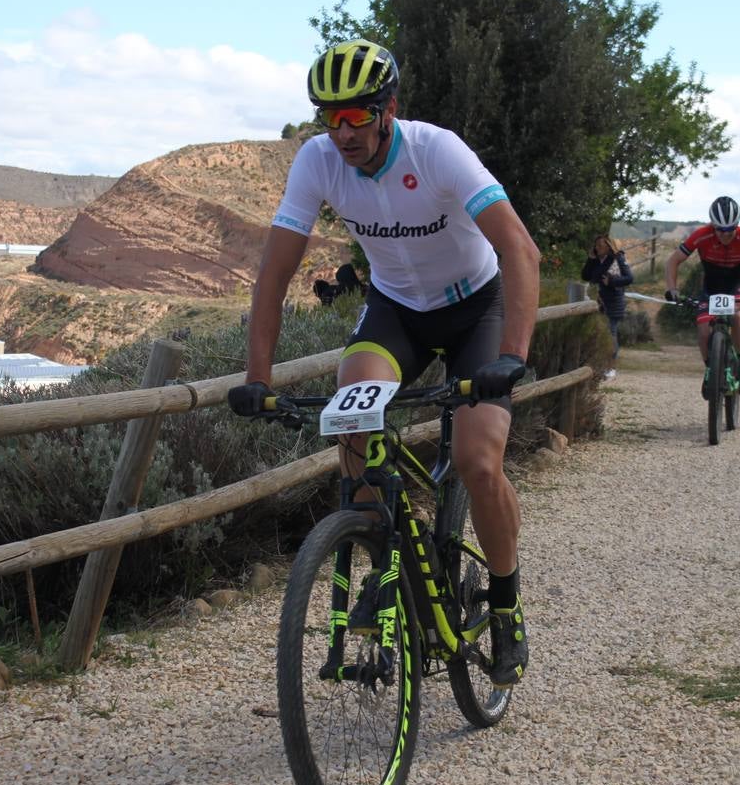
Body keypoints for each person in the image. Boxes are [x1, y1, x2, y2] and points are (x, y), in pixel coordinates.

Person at [227, 39, 541, 688]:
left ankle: (506, 606)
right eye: (328, 117)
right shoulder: (318, 162)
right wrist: (257, 377)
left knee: (481, 462)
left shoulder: (435, 151)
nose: (340, 132)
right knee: (352, 418)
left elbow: (520, 249)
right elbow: (273, 274)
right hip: (397, 311)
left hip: (475, 309)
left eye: (354, 117)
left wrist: (512, 357)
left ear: (386, 109)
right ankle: (382, 566)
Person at [663, 195, 740, 397]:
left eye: (730, 229)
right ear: (712, 226)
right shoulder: (701, 235)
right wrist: (672, 289)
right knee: (703, 328)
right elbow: (673, 262)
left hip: (738, 281)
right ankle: (710, 369)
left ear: (737, 225)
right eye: (720, 230)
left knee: (737, 316)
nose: (725, 235)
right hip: (712, 284)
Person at [580, 234, 633, 379]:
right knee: (599, 333)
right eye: (596, 245)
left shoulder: (618, 259)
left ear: (608, 246)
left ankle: (611, 367)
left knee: (611, 333)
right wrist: (590, 259)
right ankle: (600, 365)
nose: (597, 248)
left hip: (613, 301)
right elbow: (585, 276)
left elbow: (629, 278)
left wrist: (612, 282)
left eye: (600, 245)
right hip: (597, 300)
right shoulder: (595, 260)